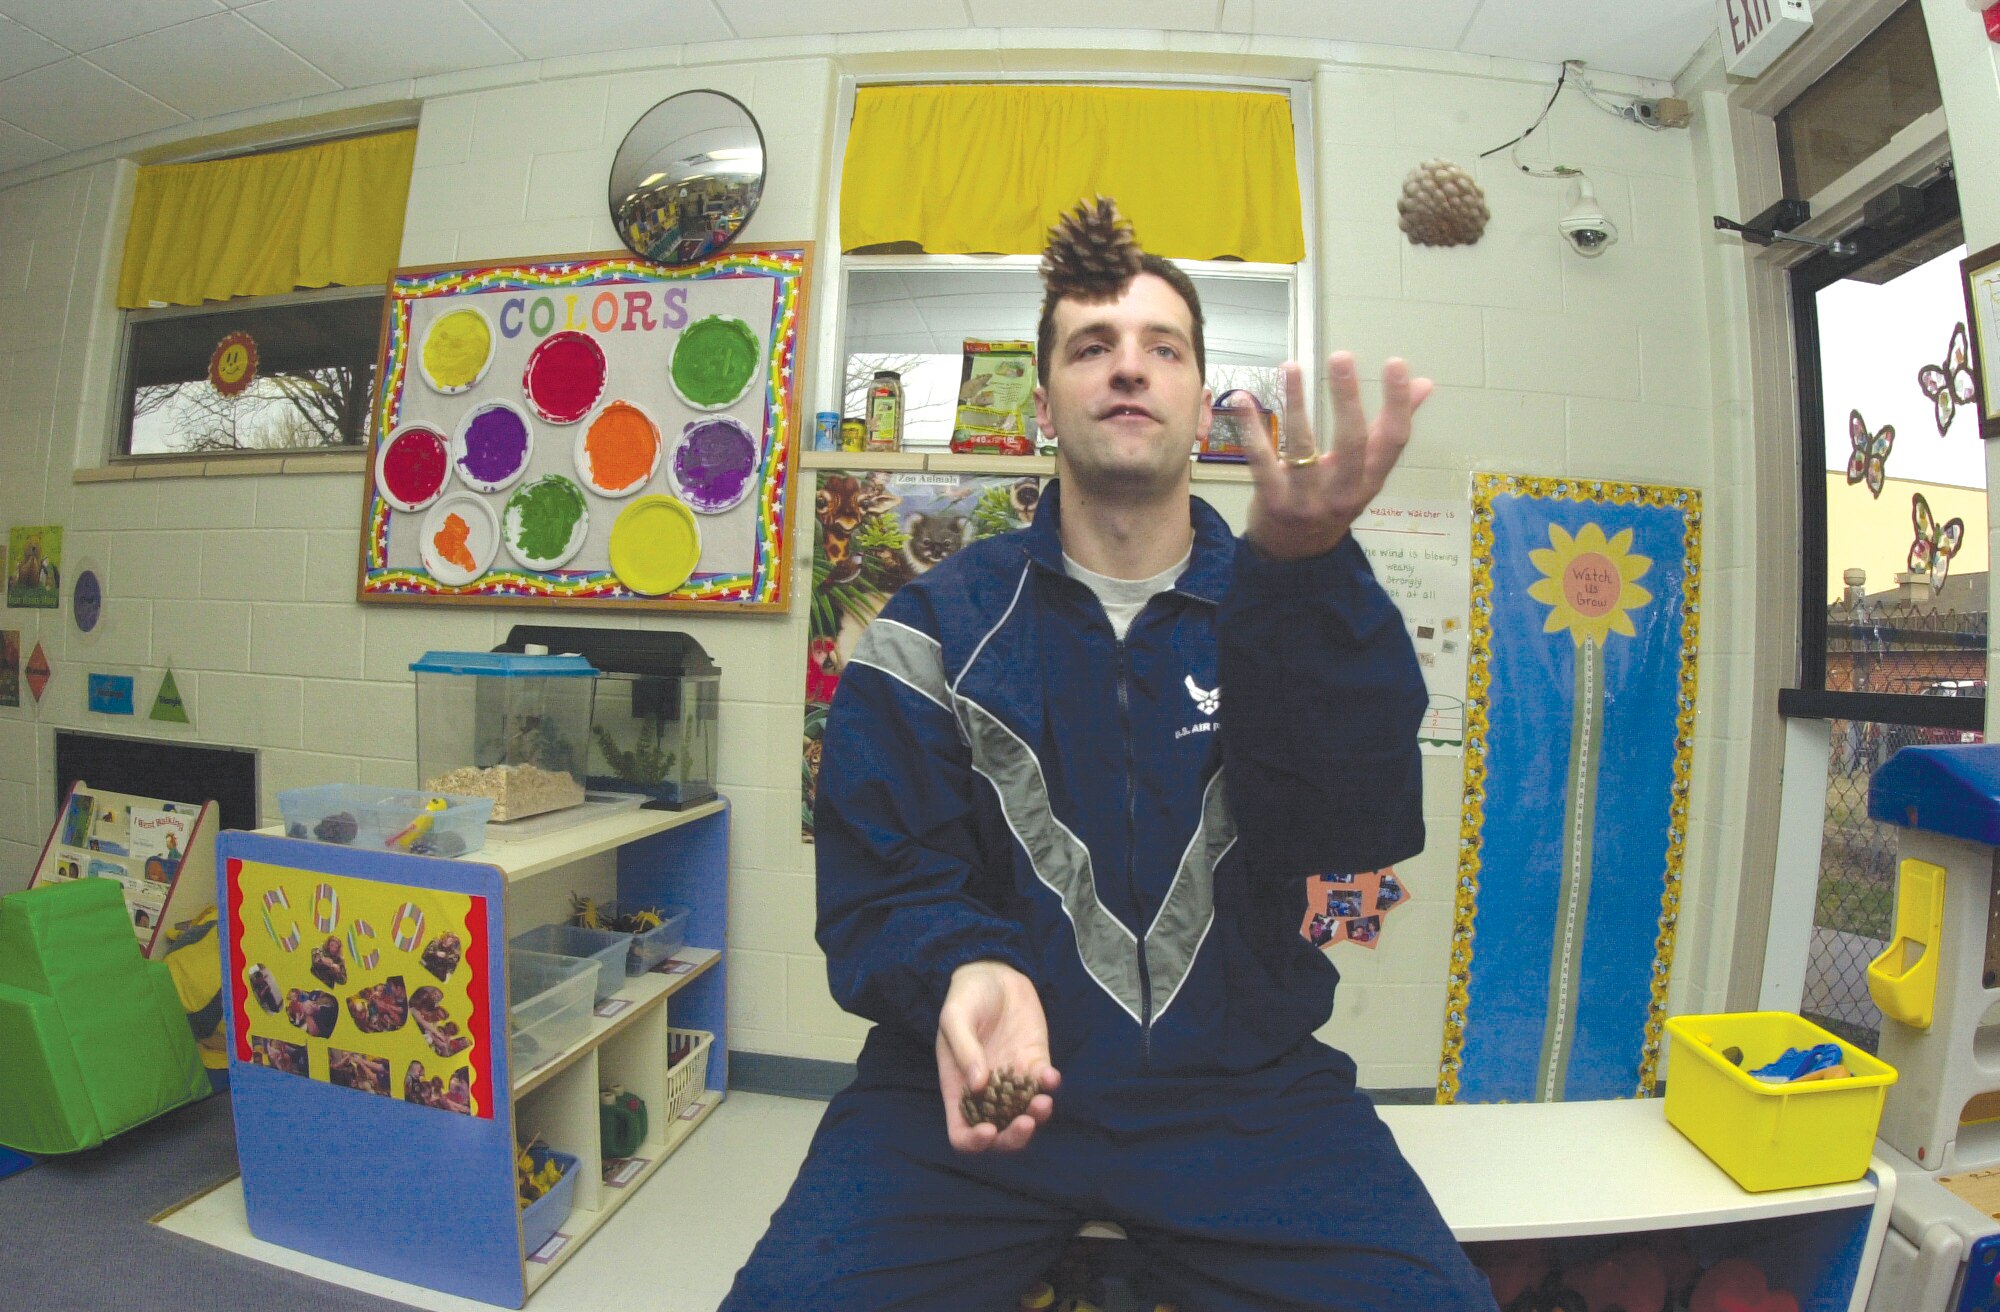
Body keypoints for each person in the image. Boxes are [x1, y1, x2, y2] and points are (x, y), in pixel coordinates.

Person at [722, 200, 1496, 1312]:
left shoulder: (1286, 599)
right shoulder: (934, 626)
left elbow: (1355, 832)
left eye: (1162, 348)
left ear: (1202, 398)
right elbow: (880, 881)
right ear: (1042, 403)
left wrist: (1310, 570)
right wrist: (964, 967)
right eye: (1092, 346)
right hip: (965, 1097)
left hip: (1249, 1102)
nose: (1128, 367)